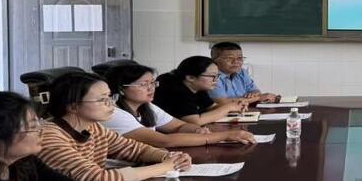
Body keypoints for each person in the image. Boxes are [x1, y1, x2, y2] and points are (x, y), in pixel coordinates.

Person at [37, 72, 192, 181]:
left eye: (110, 97)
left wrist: (168, 157)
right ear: (73, 106)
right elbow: (98, 180)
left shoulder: (93, 127)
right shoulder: (49, 136)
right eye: (102, 99)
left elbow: (134, 149)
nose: (111, 104)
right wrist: (166, 167)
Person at [105, 64, 256, 148]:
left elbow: (178, 126)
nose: (151, 88)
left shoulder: (147, 106)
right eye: (144, 84)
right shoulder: (114, 113)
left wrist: (196, 130)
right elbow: (163, 141)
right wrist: (225, 136)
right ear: (121, 89)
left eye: (152, 83)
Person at [154, 56, 249, 126]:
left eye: (218, 76)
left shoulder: (197, 86)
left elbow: (211, 107)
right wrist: (228, 107)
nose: (216, 80)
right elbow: (195, 121)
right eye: (213, 76)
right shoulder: (175, 90)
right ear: (190, 77)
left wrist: (236, 105)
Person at [208, 42, 278, 103]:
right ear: (214, 60)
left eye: (239, 58)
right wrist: (258, 98)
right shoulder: (212, 76)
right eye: (229, 58)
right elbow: (222, 102)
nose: (236, 62)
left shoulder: (242, 72)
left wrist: (254, 94)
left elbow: (256, 91)